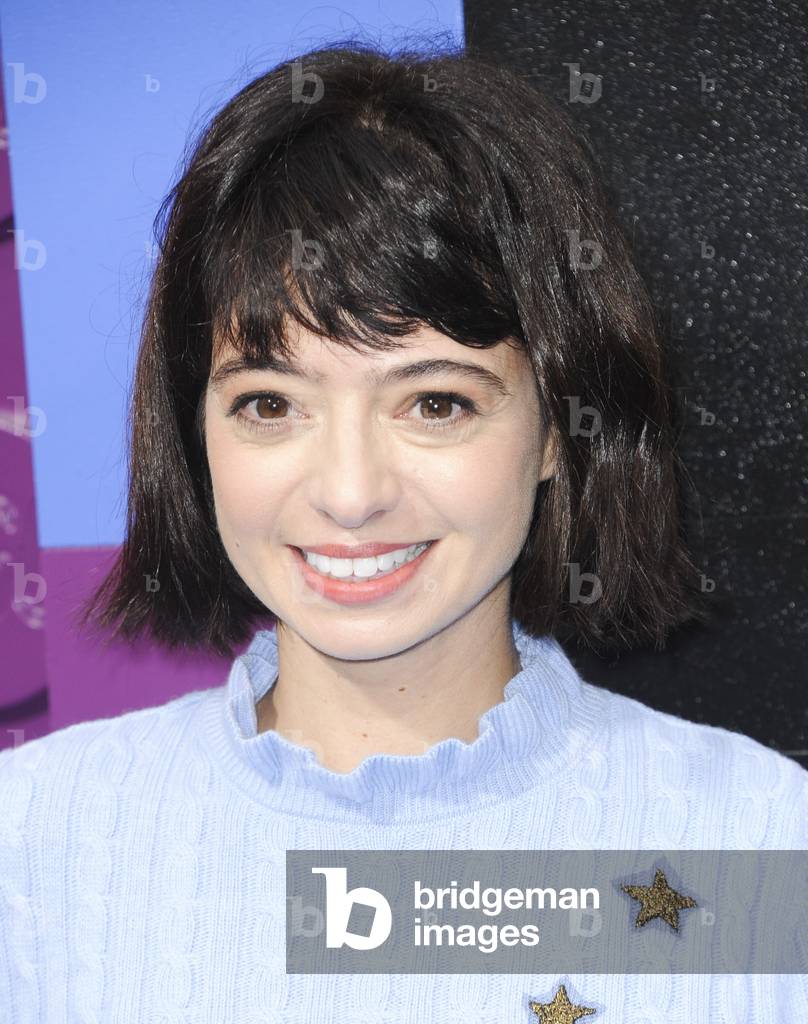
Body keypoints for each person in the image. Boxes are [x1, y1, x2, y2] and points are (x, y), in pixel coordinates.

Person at [1, 41, 805, 1023]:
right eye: (268, 404)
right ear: (194, 430)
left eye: (433, 403)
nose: (348, 492)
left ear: (557, 428)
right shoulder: (35, 842)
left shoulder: (751, 845)